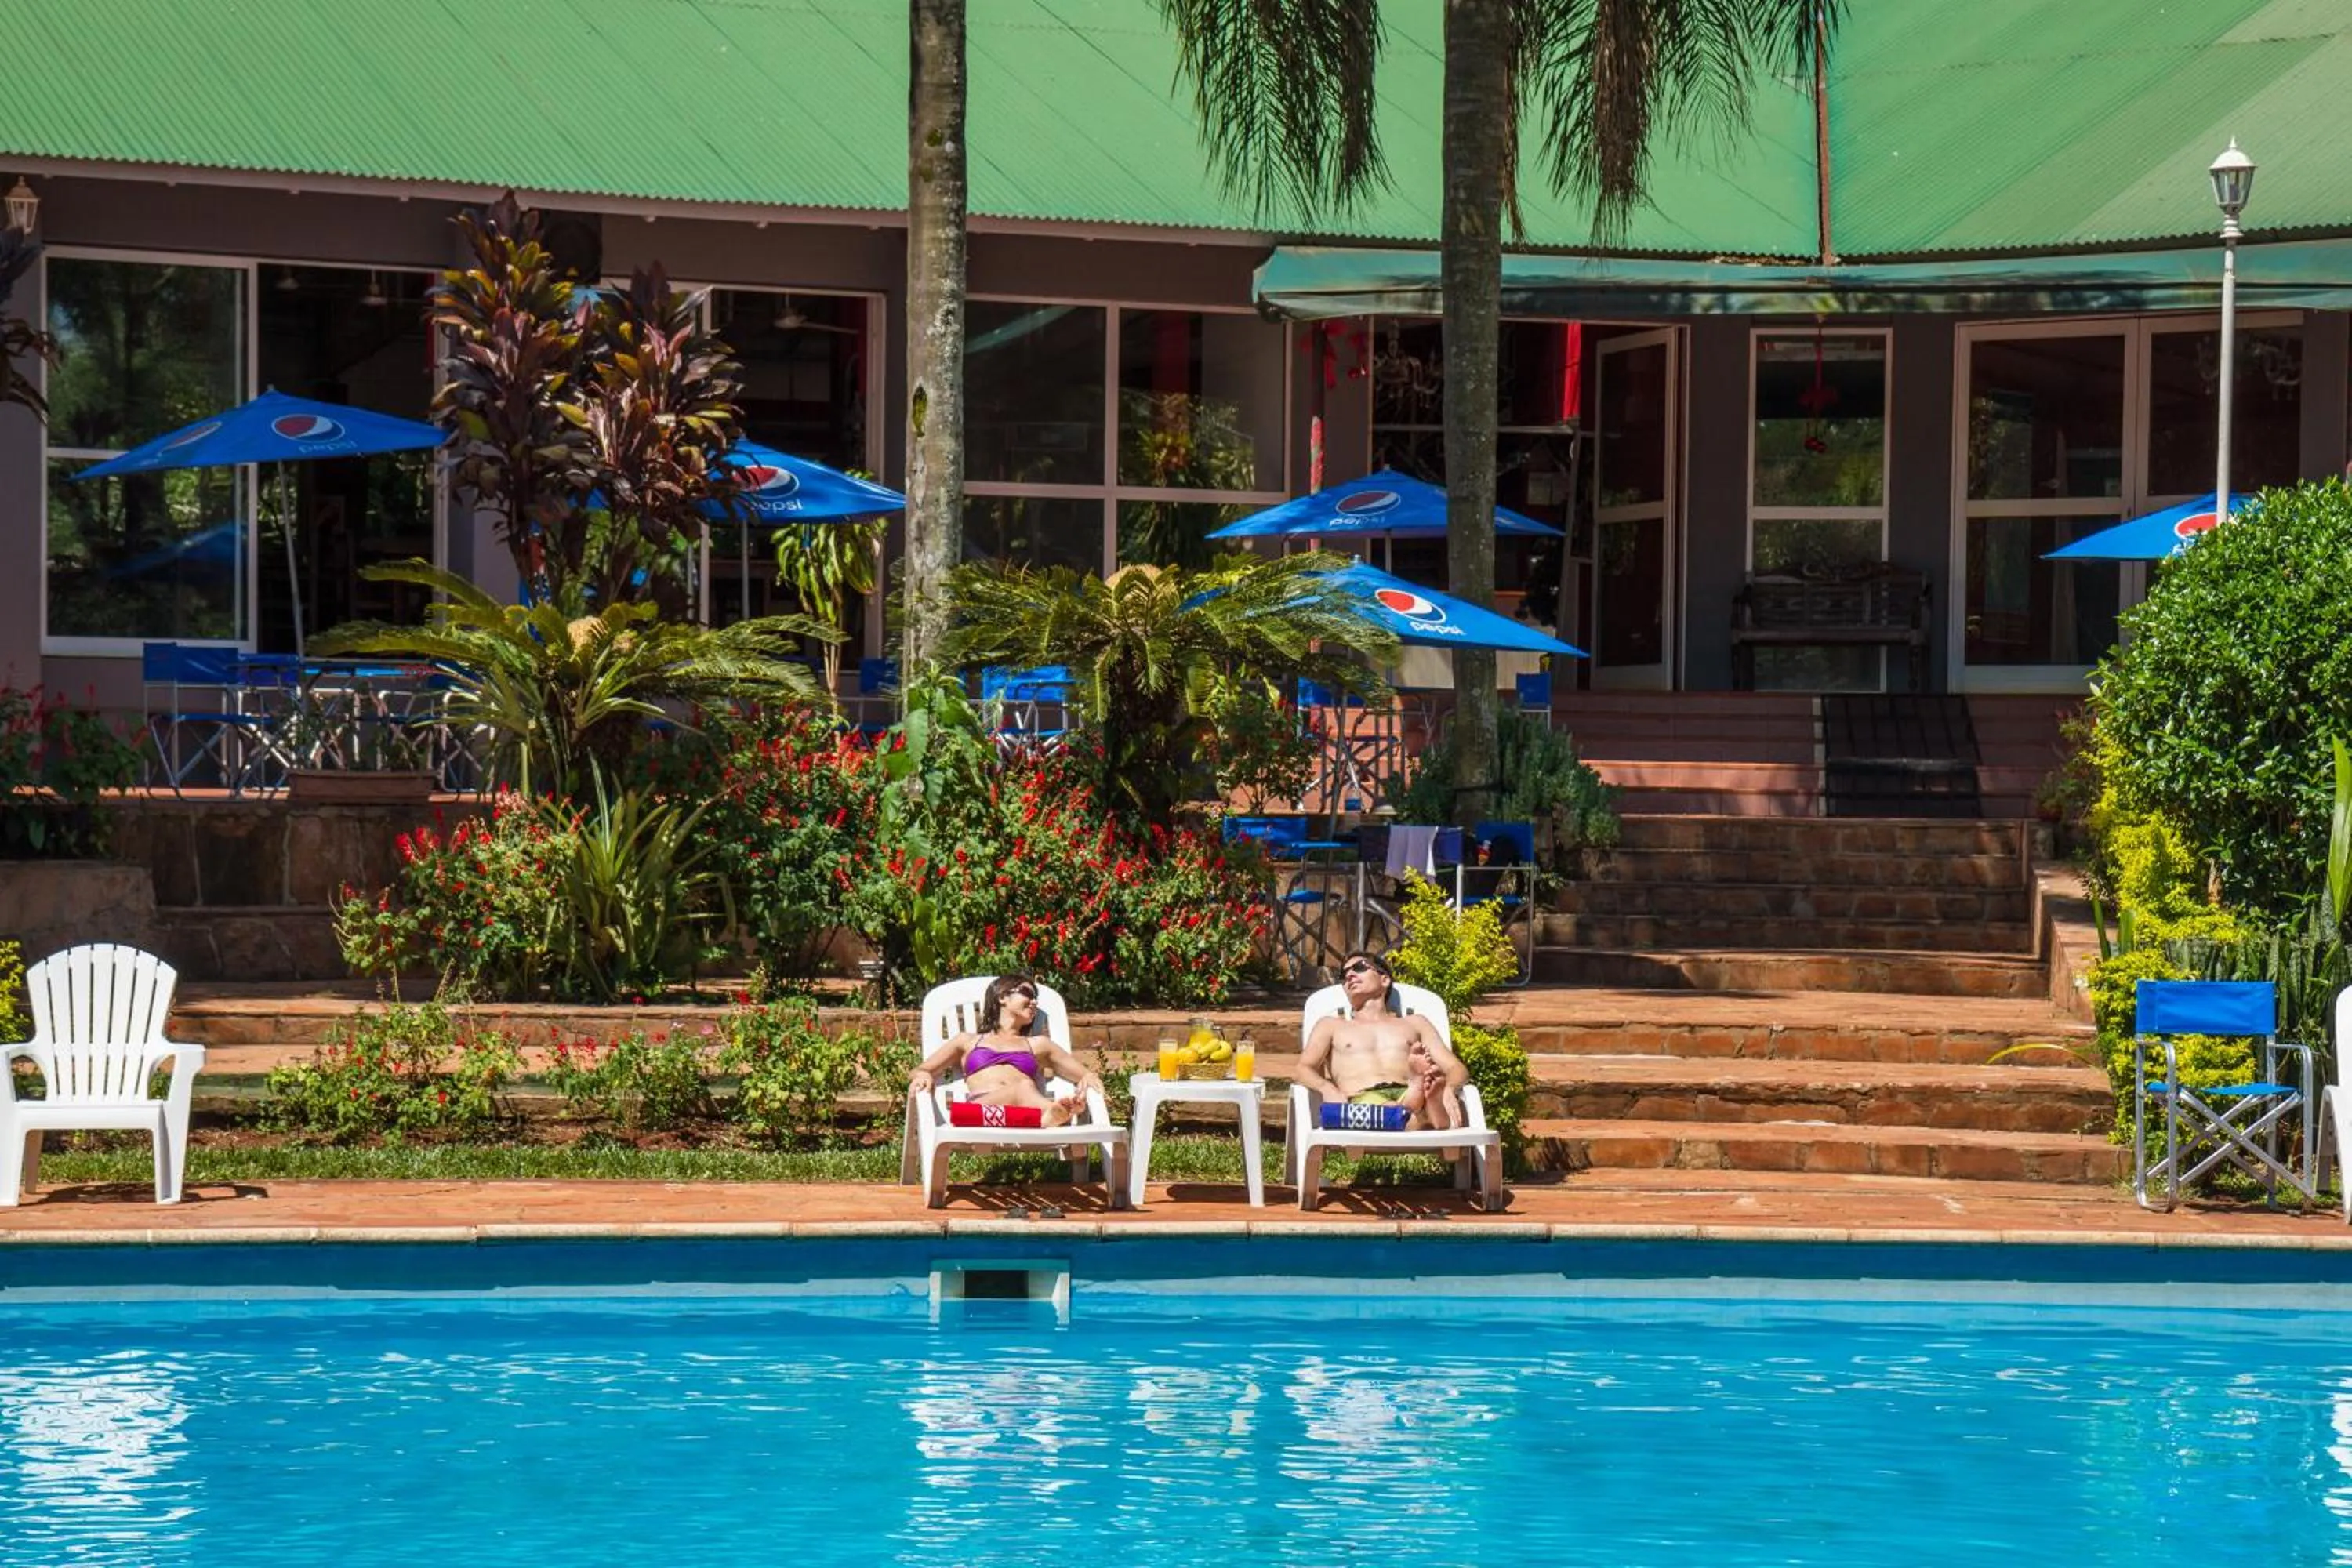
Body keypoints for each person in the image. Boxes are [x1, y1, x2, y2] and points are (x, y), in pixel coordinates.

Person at [1294, 949, 1468, 1131]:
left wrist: (1449, 1088)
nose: (1350, 976)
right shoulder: (1331, 1026)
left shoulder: (1416, 1023)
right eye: (1344, 976)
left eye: (1359, 968)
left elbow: (1457, 1069)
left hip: (1408, 1093)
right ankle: (1425, 1111)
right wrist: (1327, 1088)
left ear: (1384, 980)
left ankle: (1422, 1098)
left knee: (1415, 1107)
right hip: (1361, 1101)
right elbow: (1302, 1069)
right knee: (1417, 1117)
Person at [908, 973, 1105, 1127]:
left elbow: (1084, 1074)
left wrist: (1088, 1079)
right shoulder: (967, 1041)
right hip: (980, 1114)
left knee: (1024, 1089)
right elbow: (920, 1070)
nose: (1034, 1002)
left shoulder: (1039, 1045)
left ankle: (1049, 1117)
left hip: (1025, 1115)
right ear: (1003, 997)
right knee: (1023, 1087)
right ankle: (1054, 1114)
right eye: (1027, 993)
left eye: (1036, 998)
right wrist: (923, 1076)